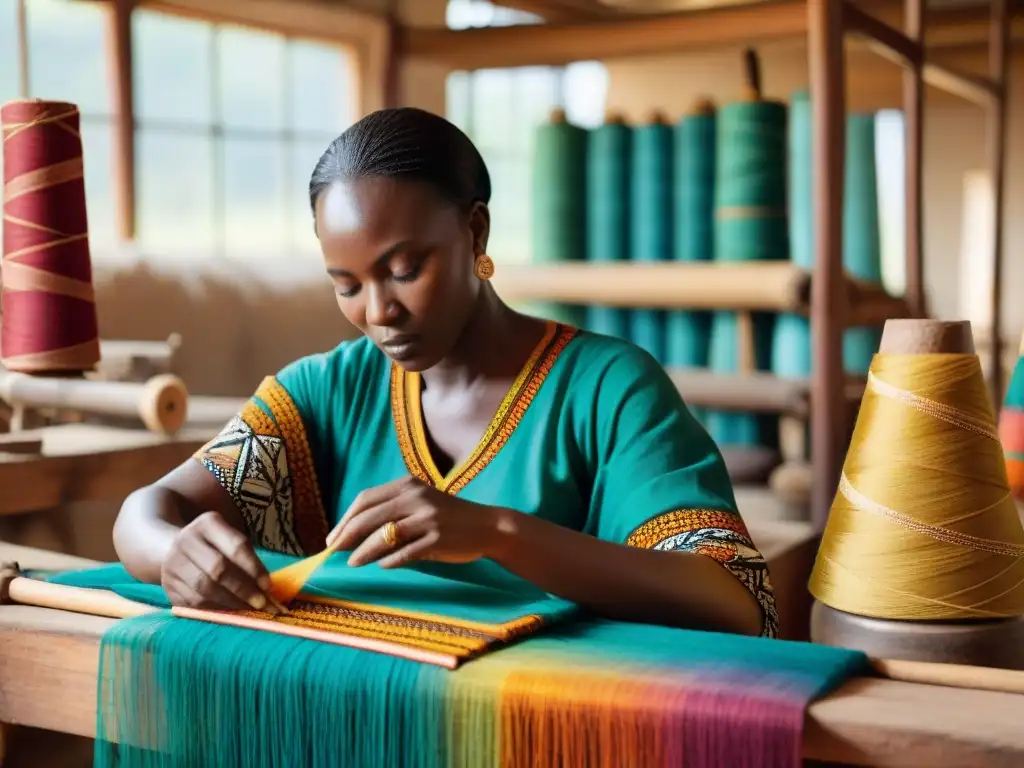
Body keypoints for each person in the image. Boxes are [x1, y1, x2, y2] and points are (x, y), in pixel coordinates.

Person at [112, 107, 777, 639]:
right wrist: (174, 555)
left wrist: (496, 532)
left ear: (476, 234)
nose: (378, 312)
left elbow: (733, 602)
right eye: (346, 285)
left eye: (405, 271)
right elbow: (146, 513)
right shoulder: (324, 393)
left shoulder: (607, 389)